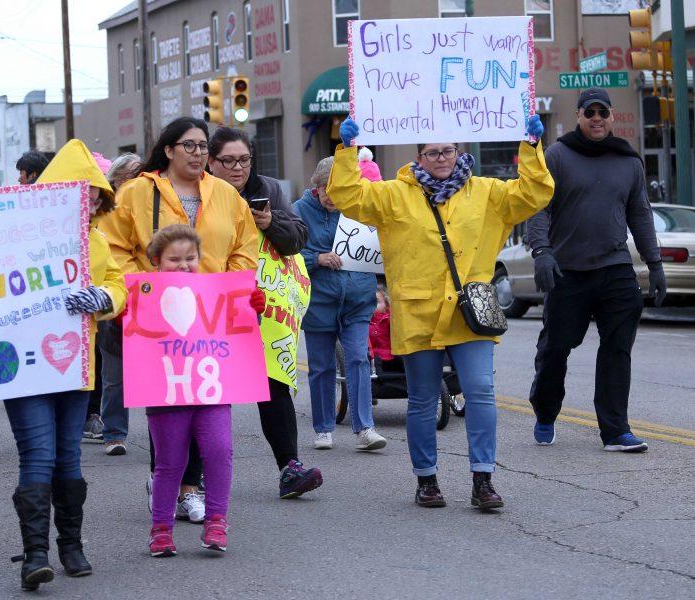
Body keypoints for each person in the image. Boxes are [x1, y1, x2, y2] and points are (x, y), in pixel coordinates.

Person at [328, 114, 552, 510]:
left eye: (447, 150)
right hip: (419, 311)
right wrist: (346, 151)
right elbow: (349, 196)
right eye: (432, 152)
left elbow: (534, 193)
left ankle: (483, 479)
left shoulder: (487, 192)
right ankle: (426, 480)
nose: (441, 158)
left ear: (458, 151)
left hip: (470, 310)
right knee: (423, 398)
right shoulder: (394, 194)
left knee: (480, 392)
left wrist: (532, 148)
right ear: (419, 157)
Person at [0, 138, 127, 590]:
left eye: (94, 196)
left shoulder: (97, 241)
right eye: (79, 194)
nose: (87, 203)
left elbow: (117, 283)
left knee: (68, 456)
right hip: (24, 369)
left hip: (73, 365)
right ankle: (35, 555)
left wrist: (104, 297)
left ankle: (71, 545)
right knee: (39, 455)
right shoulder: (11, 233)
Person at [98, 116, 258, 521]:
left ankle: (189, 487)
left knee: (206, 398)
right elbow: (112, 246)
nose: (198, 153)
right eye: (189, 145)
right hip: (156, 313)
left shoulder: (224, 194)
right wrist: (143, 287)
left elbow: (245, 246)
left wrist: (230, 285)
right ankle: (167, 477)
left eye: (203, 146)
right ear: (168, 150)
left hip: (210, 316)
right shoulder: (136, 192)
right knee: (167, 398)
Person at [527, 88, 665, 453]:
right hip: (567, 271)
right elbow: (538, 208)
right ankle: (545, 410)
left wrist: (655, 264)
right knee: (557, 348)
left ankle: (615, 430)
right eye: (590, 112)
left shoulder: (628, 161)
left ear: (612, 117)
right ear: (578, 117)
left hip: (615, 266)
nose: (597, 118)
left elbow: (640, 213)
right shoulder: (557, 156)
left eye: (603, 112)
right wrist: (542, 251)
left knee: (618, 348)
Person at [207, 126, 322, 499]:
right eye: (228, 161)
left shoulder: (268, 191)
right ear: (211, 162)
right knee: (209, 389)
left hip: (265, 305)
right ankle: (194, 478)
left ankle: (289, 467)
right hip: (211, 303)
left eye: (244, 160)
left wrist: (271, 223)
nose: (237, 168)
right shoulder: (197, 195)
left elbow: (298, 239)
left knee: (272, 383)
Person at [144, 224, 264, 556]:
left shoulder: (216, 293)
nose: (183, 265)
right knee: (170, 462)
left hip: (211, 390)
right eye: (174, 259)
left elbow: (240, 331)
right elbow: (125, 343)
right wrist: (125, 317)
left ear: (201, 258)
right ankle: (161, 529)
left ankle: (216, 521)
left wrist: (252, 306)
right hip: (166, 392)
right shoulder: (143, 296)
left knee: (219, 450)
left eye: (190, 258)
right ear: (156, 261)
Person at [294, 158, 384, 453]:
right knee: (322, 366)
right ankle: (323, 428)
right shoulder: (298, 211)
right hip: (319, 300)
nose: (332, 195)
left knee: (359, 358)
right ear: (315, 187)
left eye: (337, 188)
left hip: (357, 298)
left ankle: (365, 427)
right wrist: (316, 259)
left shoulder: (359, 208)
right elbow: (288, 254)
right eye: (325, 189)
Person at [81, 152, 142, 444]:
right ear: (115, 178)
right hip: (109, 303)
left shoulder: (150, 207)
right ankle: (114, 433)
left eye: (141, 174)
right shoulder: (100, 213)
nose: (137, 180)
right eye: (131, 174)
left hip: (147, 298)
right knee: (114, 373)